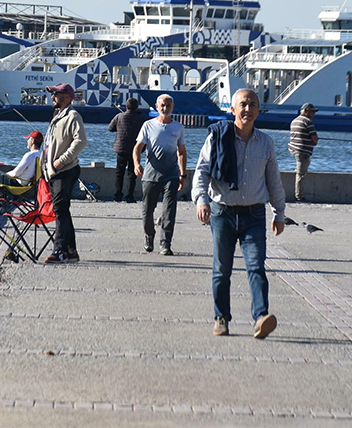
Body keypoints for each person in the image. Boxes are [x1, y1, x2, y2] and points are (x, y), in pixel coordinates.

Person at [192, 88, 285, 339]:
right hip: (222, 213)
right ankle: (221, 318)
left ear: (258, 109)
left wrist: (279, 212)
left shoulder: (266, 142)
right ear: (232, 109)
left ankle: (261, 317)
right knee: (222, 270)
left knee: (256, 266)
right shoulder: (218, 137)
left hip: (254, 215)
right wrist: (202, 200)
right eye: (243, 104)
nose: (248, 109)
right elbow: (201, 171)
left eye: (253, 104)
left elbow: (273, 180)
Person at [133, 94, 187, 255]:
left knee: (169, 210)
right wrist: (137, 164)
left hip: (171, 175)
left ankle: (165, 243)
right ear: (157, 107)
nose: (165, 108)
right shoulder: (148, 126)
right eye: (162, 105)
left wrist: (183, 174)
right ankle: (149, 236)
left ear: (173, 107)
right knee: (147, 210)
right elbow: (137, 148)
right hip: (150, 175)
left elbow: (182, 152)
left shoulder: (178, 128)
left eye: (168, 106)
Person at [43, 83, 87, 264]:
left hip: (65, 170)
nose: (53, 96)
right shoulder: (57, 116)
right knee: (63, 210)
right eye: (53, 94)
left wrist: (62, 160)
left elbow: (81, 141)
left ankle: (59, 250)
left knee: (60, 210)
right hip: (54, 172)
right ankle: (71, 251)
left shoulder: (73, 116)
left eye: (57, 94)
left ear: (68, 97)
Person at [108, 98, 147, 202]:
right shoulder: (141, 119)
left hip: (121, 148)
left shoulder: (119, 116)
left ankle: (118, 195)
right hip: (135, 149)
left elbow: (110, 128)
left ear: (127, 107)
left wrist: (119, 127)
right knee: (132, 173)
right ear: (137, 107)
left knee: (119, 172)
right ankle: (129, 196)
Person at [289, 103, 319, 201]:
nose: (313, 114)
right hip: (302, 152)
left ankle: (298, 192)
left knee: (300, 170)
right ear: (306, 110)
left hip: (293, 149)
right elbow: (314, 139)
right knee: (301, 174)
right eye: (312, 112)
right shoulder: (308, 122)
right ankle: (299, 196)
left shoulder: (294, 121)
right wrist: (315, 141)